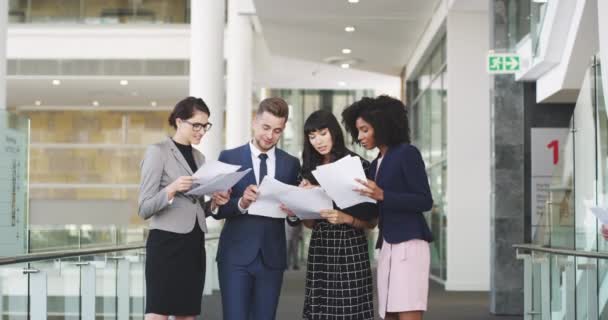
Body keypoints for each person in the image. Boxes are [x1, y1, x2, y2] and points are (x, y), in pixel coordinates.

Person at [138, 97, 230, 320]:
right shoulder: (157, 151)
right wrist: (171, 189)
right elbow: (144, 208)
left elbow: (194, 206)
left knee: (188, 315)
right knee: (158, 314)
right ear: (179, 122)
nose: (201, 131)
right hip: (166, 245)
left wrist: (214, 203)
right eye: (196, 125)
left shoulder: (200, 158)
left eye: (205, 126)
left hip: (193, 244)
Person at [343, 96, 434, 320]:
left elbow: (424, 200)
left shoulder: (407, 153)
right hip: (387, 245)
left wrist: (383, 195)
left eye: (365, 130)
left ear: (382, 126)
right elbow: (373, 210)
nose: (360, 137)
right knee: (388, 313)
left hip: (409, 244)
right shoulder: (376, 164)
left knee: (408, 310)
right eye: (358, 131)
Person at [283, 110, 378, 320]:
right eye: (312, 136)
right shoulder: (307, 170)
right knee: (321, 311)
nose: (318, 141)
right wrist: (298, 205)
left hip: (350, 246)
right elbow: (309, 224)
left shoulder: (358, 165)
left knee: (350, 310)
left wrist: (347, 218)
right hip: (321, 247)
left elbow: (372, 221)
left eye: (323, 133)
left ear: (334, 132)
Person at [213, 97, 301, 320]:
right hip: (235, 257)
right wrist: (241, 202)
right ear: (254, 122)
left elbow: (295, 213)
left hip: (272, 258)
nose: (270, 135)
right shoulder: (229, 157)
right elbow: (219, 210)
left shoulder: (290, 164)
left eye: (277, 130)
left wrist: (294, 213)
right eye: (266, 127)